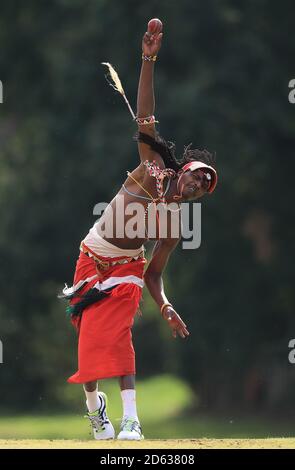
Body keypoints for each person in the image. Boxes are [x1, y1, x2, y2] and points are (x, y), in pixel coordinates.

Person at [61, 19, 218, 441]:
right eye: (198, 176)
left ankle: (131, 419)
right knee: (90, 342)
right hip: (91, 257)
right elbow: (146, 112)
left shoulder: (174, 224)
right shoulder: (151, 166)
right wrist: (148, 58)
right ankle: (96, 408)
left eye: (204, 187)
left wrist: (164, 305)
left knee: (118, 337)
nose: (199, 184)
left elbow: (154, 274)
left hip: (129, 268)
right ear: (184, 168)